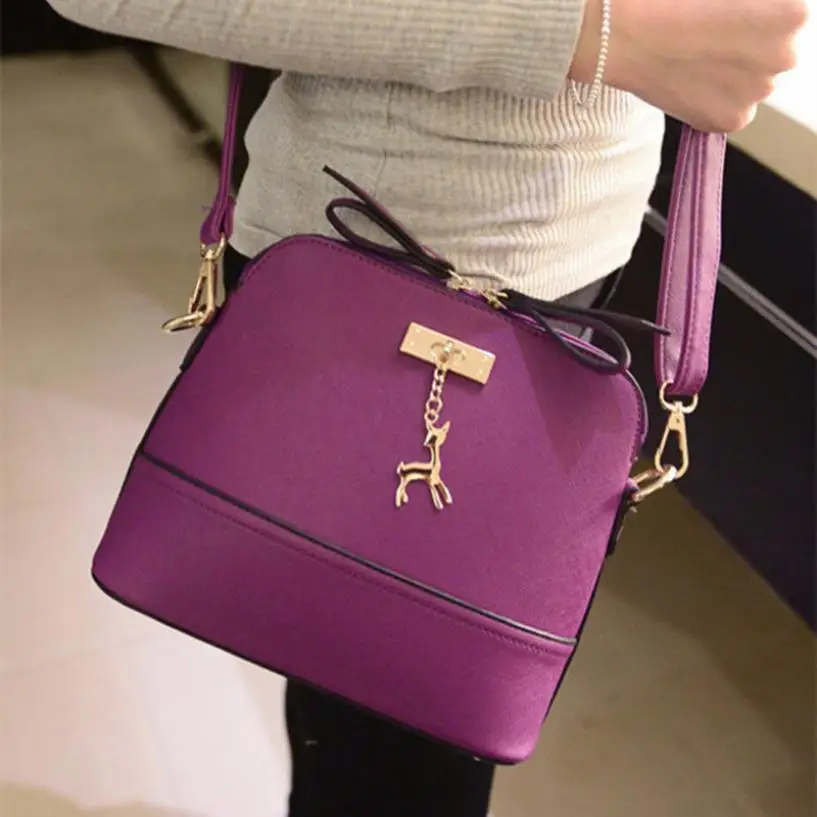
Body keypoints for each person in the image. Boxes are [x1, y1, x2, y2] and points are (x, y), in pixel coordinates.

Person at [46, 1, 809, 815]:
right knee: (384, 748)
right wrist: (581, 34)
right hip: (353, 268)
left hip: (577, 266)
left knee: (396, 722)